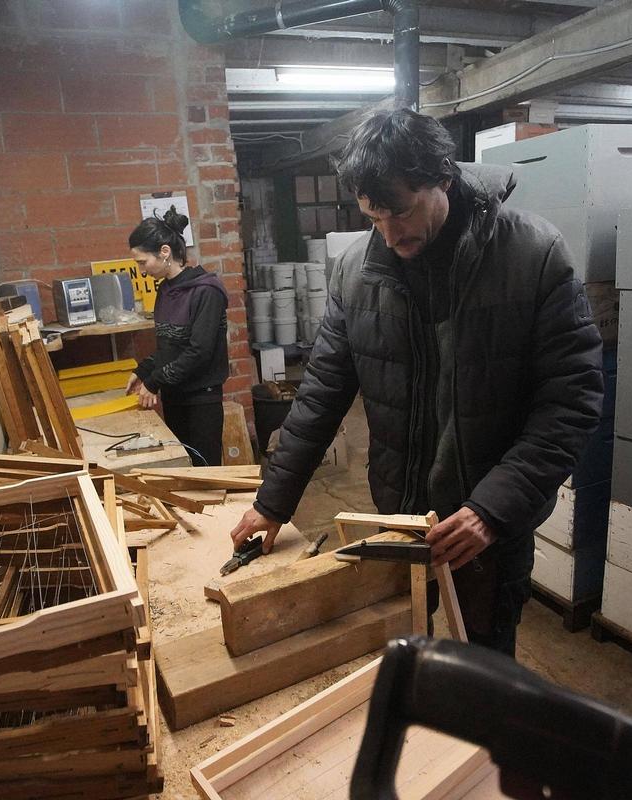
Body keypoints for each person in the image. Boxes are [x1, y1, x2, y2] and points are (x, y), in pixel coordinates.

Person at [229, 109, 604, 657]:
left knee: (484, 663)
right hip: (398, 513)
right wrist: (273, 501)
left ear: (442, 178)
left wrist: (492, 510)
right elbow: (323, 390)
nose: (389, 233)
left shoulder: (532, 254)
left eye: (400, 213)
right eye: (372, 217)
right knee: (405, 649)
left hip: (485, 523)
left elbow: (572, 400)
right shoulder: (357, 270)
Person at [125, 207, 229, 466]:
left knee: (205, 470)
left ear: (164, 252)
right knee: (184, 467)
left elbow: (199, 352)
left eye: (142, 262)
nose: (142, 271)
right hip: (175, 396)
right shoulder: (167, 290)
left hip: (201, 398)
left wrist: (155, 381)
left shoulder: (206, 291)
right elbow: (169, 346)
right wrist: (144, 371)